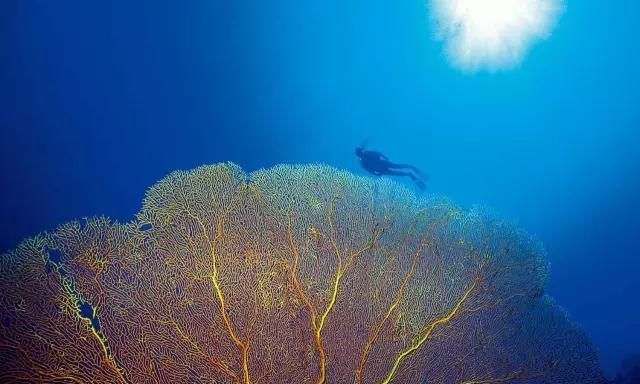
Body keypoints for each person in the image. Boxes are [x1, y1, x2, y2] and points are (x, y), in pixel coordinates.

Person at [355, 142, 426, 189]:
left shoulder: (363, 162)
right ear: (361, 151)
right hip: (383, 164)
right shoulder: (366, 154)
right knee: (397, 167)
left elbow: (370, 170)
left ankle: (411, 174)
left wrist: (376, 174)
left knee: (396, 172)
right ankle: (413, 170)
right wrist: (384, 157)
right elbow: (378, 154)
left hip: (381, 169)